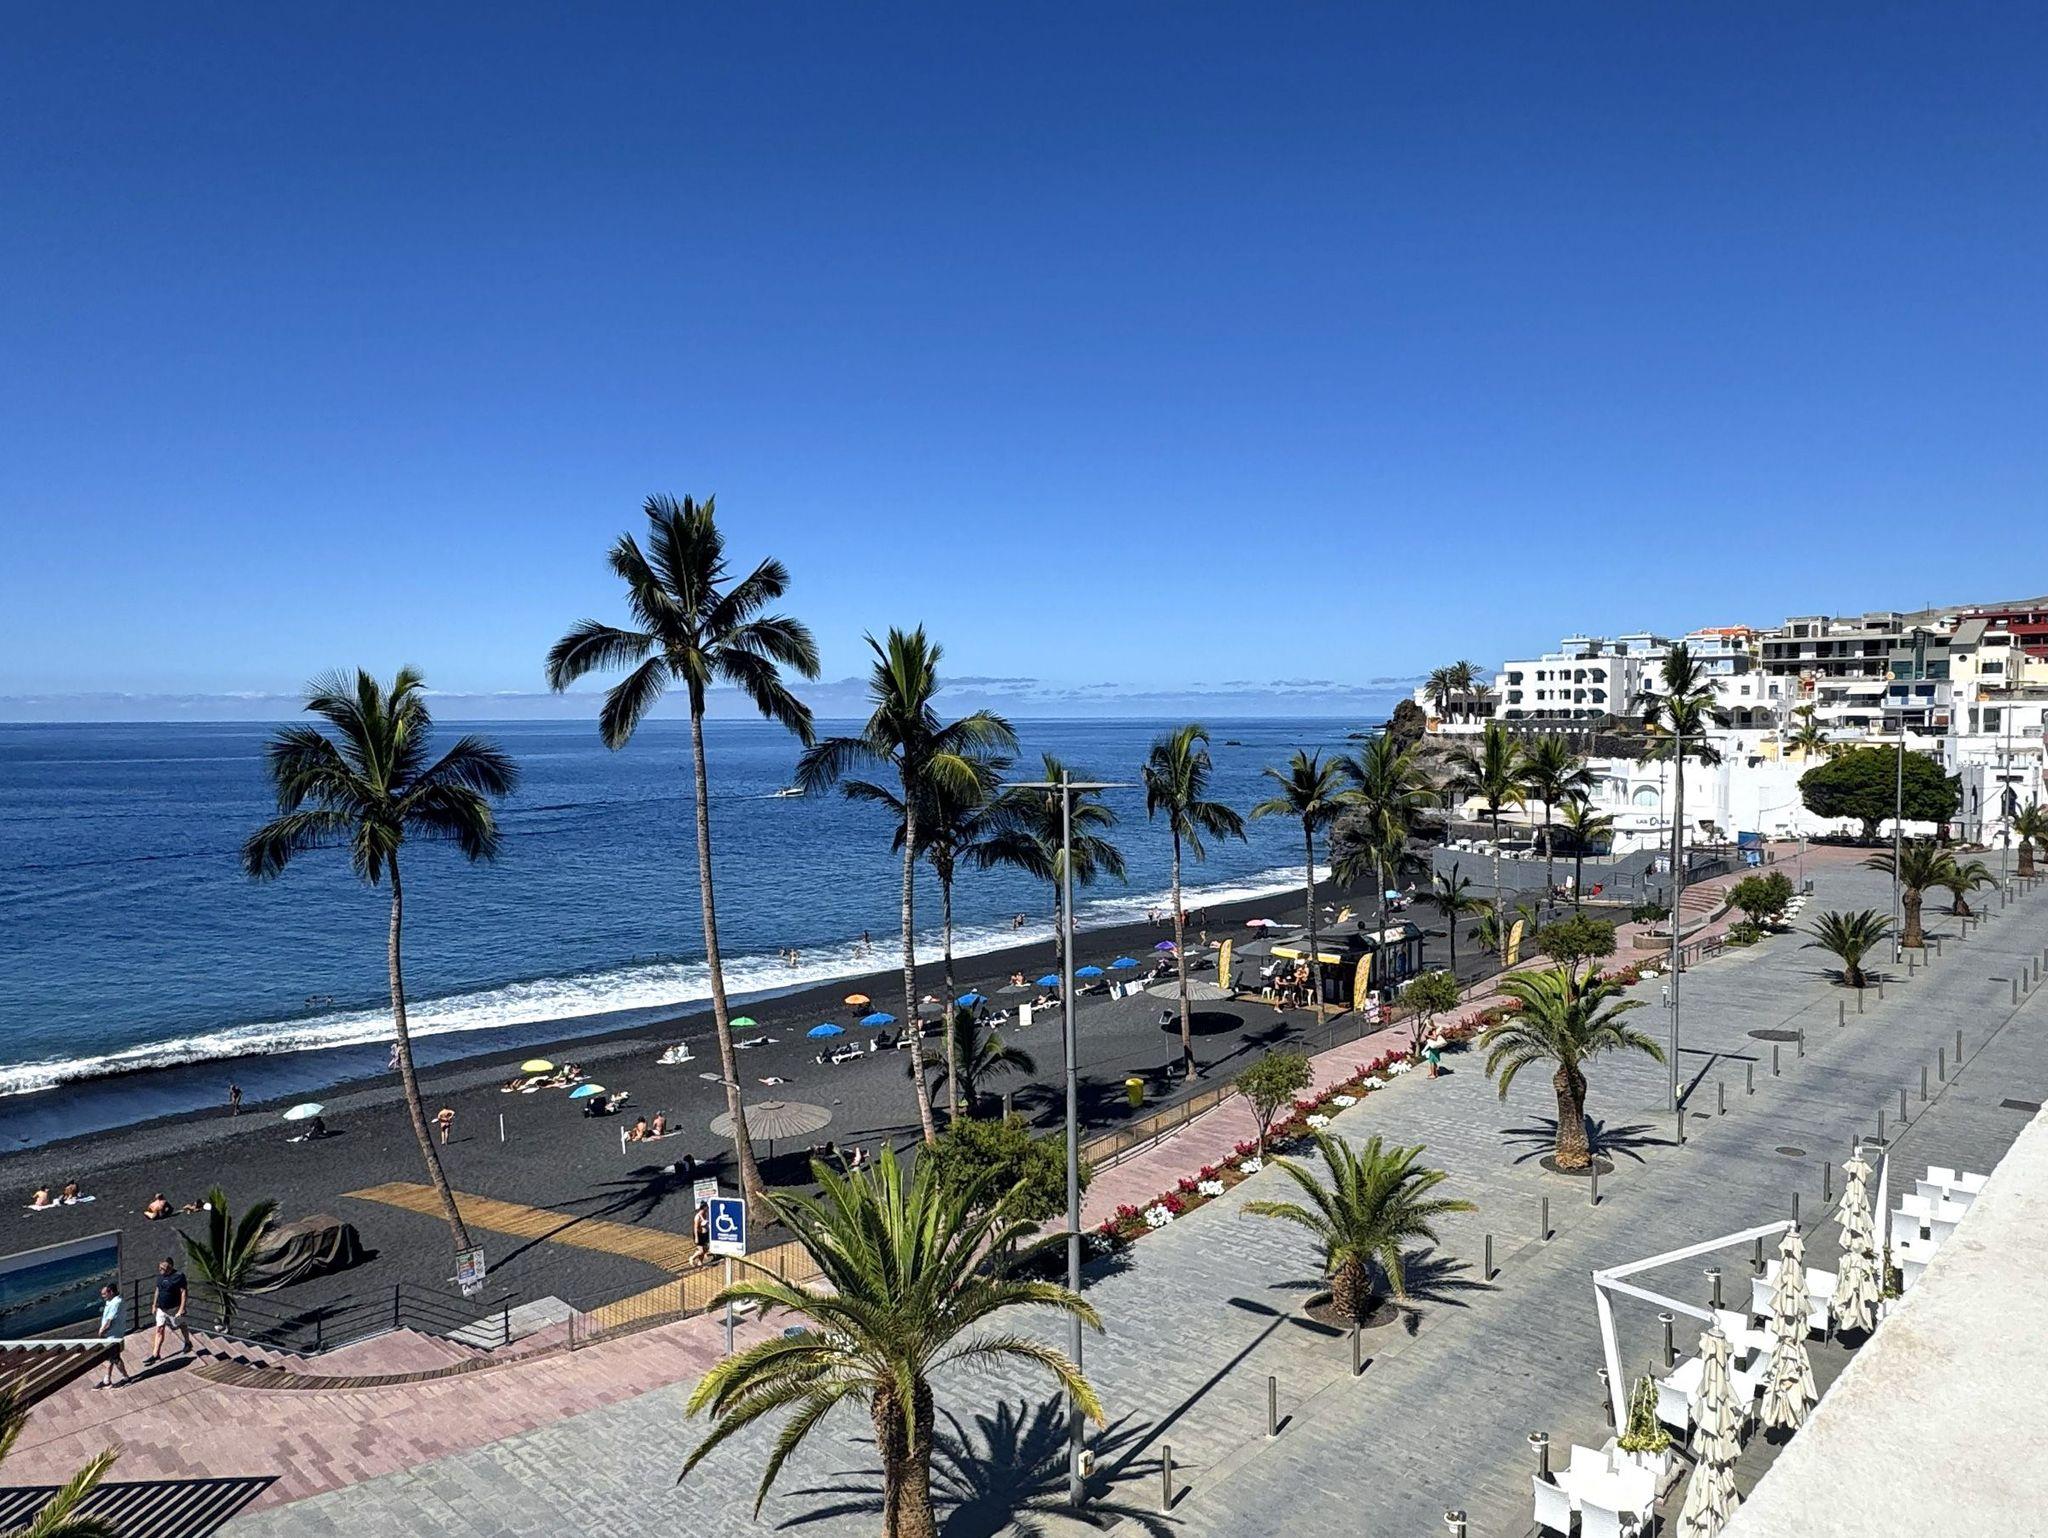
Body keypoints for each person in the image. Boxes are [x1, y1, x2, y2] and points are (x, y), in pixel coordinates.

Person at [146, 1257, 191, 1363]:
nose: (160, 1269)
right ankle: (156, 1354)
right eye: (160, 1267)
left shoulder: (179, 1276)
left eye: (163, 1268)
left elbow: (183, 1292)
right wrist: (154, 1305)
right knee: (159, 1329)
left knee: (181, 1325)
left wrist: (182, 1308)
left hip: (174, 1308)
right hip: (161, 1308)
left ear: (170, 1267)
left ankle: (187, 1342)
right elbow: (157, 1290)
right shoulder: (160, 1276)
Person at [95, 1284, 129, 1388]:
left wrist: (102, 1332)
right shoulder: (111, 1301)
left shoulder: (116, 1303)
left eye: (104, 1294)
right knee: (110, 1357)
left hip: (113, 1335)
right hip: (110, 1335)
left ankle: (126, 1378)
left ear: (111, 1292)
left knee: (115, 1358)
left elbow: (109, 1321)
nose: (103, 1296)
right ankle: (107, 1380)